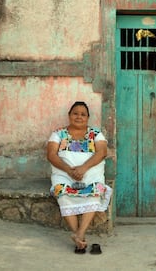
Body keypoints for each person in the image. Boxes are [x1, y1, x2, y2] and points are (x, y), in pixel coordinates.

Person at [47, 101, 112, 254]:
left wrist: (83, 168)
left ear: (88, 118)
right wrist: (69, 171)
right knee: (61, 192)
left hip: (89, 174)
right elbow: (51, 155)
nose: (79, 117)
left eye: (83, 114)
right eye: (75, 113)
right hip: (64, 174)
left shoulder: (96, 134)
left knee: (95, 192)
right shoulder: (58, 134)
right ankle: (79, 236)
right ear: (69, 115)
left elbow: (102, 152)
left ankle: (79, 235)